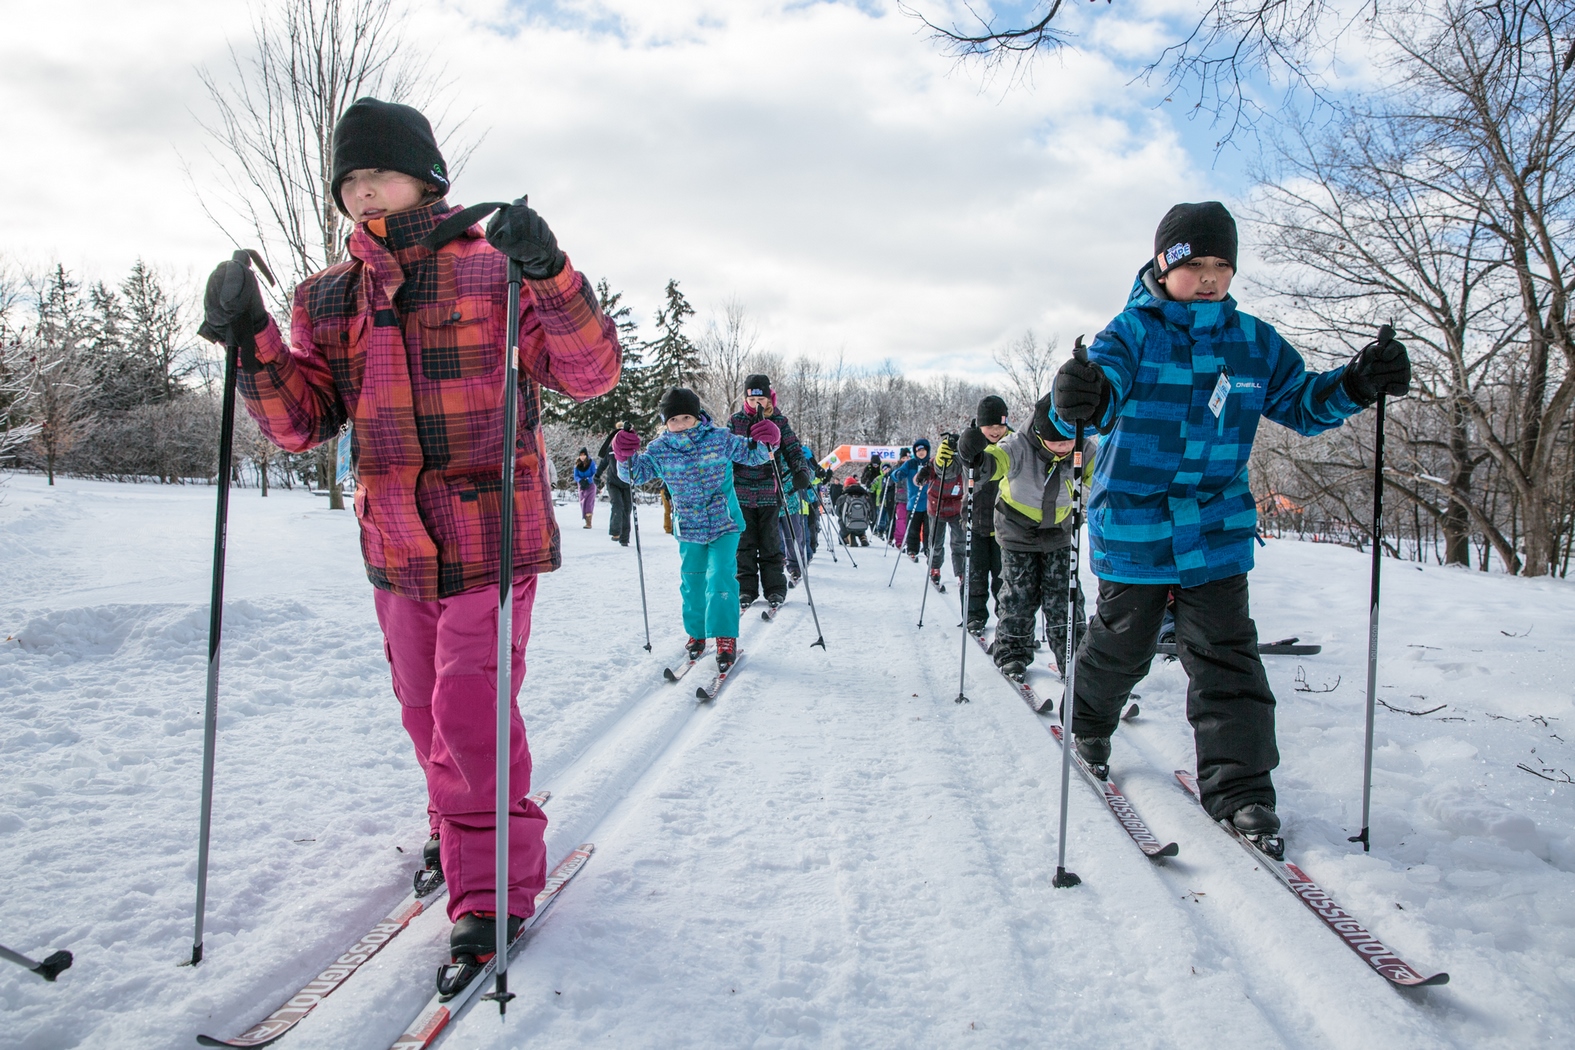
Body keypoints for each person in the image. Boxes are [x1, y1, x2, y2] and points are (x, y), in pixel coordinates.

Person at [202, 97, 622, 967]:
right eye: (348, 181)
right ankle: (455, 828)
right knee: (423, 710)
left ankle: (492, 884)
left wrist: (549, 271)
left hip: (488, 534)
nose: (362, 194)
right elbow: (303, 420)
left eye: (378, 174)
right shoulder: (327, 294)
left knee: (469, 712)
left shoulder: (493, 270)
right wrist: (253, 340)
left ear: (428, 178)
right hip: (393, 539)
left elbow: (588, 373)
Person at [1048, 200, 1411, 847]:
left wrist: (1357, 383)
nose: (1209, 278)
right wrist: (1078, 398)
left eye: (1221, 265)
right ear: (1164, 265)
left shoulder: (1251, 342)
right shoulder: (1129, 335)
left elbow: (1301, 403)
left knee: (1226, 661)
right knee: (1121, 645)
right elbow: (1088, 406)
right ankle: (1087, 722)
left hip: (1215, 530)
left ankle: (1242, 791)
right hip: (1135, 530)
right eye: (1195, 265)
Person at [613, 388, 777, 671]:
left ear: (698, 416)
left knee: (721, 579)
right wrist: (623, 453)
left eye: (686, 417)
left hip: (724, 522)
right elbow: (634, 474)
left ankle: (726, 637)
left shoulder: (719, 438)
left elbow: (756, 455)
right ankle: (697, 633)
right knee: (692, 583)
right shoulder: (660, 449)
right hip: (689, 527)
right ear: (665, 421)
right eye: (673, 419)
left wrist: (768, 439)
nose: (680, 424)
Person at [960, 394, 1095, 681]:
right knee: (1019, 593)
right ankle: (1012, 653)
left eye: (1068, 442)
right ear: (1040, 434)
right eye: (1056, 443)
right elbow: (993, 463)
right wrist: (975, 456)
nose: (1063, 449)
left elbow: (1103, 476)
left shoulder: (1083, 447)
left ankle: (1073, 657)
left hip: (1059, 530)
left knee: (1065, 596)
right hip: (1017, 529)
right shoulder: (1017, 445)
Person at [728, 374, 811, 609]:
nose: (757, 404)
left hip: (769, 490)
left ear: (769, 399)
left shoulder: (779, 422)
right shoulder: (736, 421)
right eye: (752, 399)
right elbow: (726, 451)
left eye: (761, 399)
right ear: (746, 399)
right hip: (741, 491)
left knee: (770, 543)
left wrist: (800, 470)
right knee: (744, 543)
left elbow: (794, 449)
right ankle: (746, 589)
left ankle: (774, 588)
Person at [959, 395, 1010, 632]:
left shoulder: (1013, 445)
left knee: (1004, 578)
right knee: (975, 574)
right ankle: (974, 614)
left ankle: (1008, 617)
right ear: (980, 425)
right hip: (975, 519)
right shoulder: (969, 444)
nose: (996, 431)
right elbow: (948, 471)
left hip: (1005, 524)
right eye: (990, 426)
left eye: (1000, 426)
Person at [916, 433, 967, 586]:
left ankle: (962, 571)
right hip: (936, 507)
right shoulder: (934, 462)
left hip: (956, 508)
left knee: (959, 542)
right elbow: (920, 479)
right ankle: (934, 567)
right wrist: (922, 476)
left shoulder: (963, 464)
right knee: (935, 541)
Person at [893, 438, 932, 559]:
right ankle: (912, 549)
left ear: (927, 451)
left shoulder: (931, 463)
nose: (920, 453)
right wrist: (897, 475)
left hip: (929, 502)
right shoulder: (910, 463)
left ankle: (928, 548)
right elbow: (898, 473)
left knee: (928, 530)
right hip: (913, 501)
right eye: (918, 450)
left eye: (923, 450)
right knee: (913, 529)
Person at [596, 423, 632, 546]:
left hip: (627, 483)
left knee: (627, 509)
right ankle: (616, 532)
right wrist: (597, 476)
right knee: (617, 505)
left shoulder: (630, 450)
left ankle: (624, 538)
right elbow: (603, 463)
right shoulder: (611, 450)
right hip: (613, 483)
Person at [837, 475, 874, 545]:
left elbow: (838, 512)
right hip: (863, 525)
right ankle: (862, 536)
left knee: (841, 539)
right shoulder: (864, 496)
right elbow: (871, 510)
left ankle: (849, 536)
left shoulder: (844, 497)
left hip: (847, 526)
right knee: (860, 528)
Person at [572, 447, 597, 528]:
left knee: (589, 502)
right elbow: (575, 475)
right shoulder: (577, 464)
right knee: (583, 502)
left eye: (584, 455)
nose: (582, 457)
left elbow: (595, 473)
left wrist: (588, 480)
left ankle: (589, 522)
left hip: (590, 484)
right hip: (582, 485)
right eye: (581, 455)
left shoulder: (591, 463)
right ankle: (585, 518)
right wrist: (580, 480)